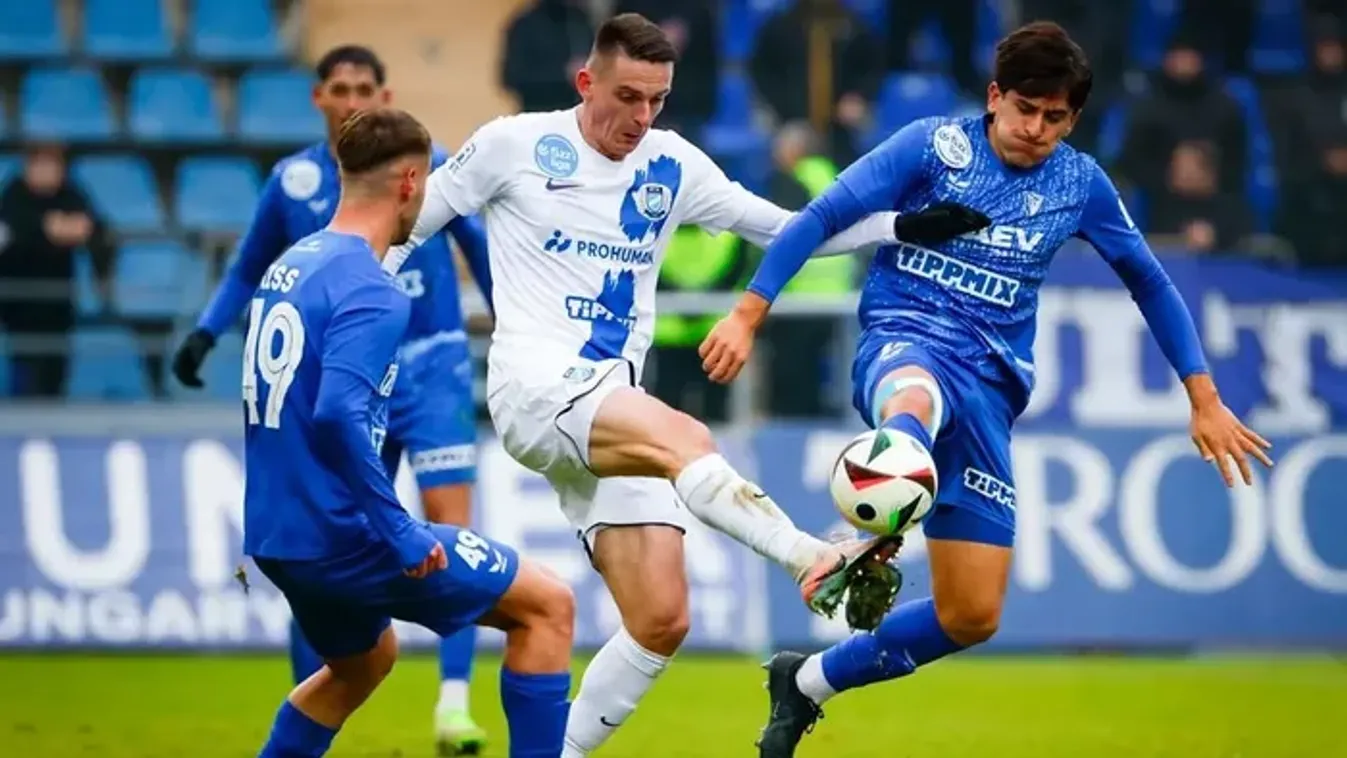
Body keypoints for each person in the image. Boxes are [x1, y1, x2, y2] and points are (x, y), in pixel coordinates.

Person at [383, 13, 975, 758]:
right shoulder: (514, 144)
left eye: (656, 100)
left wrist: (899, 227)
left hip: (606, 402)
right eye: (627, 96)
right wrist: (350, 310)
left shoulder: (672, 164)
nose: (642, 116)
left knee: (660, 619)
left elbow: (783, 226)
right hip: (534, 386)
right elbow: (406, 226)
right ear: (586, 81)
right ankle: (809, 557)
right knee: (686, 438)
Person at [695, 22, 1276, 757]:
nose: (1036, 129)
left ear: (1073, 119)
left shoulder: (1080, 185)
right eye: (1025, 109)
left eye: (1055, 117)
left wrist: (1203, 396)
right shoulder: (931, 147)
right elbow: (823, 216)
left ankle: (805, 681)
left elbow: (1150, 282)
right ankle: (882, 514)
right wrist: (749, 312)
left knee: (970, 615)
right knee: (913, 400)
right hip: (906, 340)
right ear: (995, 96)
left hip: (990, 391)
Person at [169, 46, 494, 753]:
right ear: (319, 96)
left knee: (452, 526)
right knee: (329, 538)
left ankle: (453, 705)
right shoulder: (295, 181)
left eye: (363, 88)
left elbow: (477, 243)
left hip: (431, 364)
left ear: (384, 95)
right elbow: (248, 266)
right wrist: (205, 331)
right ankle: (314, 693)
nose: (352, 100)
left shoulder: (429, 167)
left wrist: (514, 326)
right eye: (339, 88)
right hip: (348, 376)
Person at [246, 107, 573, 758]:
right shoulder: (373, 288)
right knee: (548, 606)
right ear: (409, 183)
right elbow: (337, 413)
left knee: (363, 663)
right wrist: (396, 528)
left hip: (277, 536)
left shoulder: (291, 267)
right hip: (343, 536)